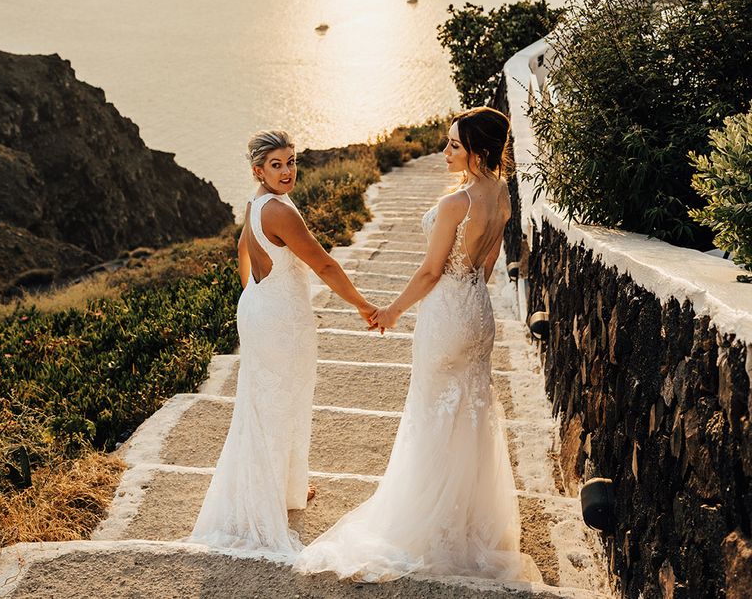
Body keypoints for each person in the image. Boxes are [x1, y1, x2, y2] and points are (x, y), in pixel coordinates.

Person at [294, 108, 537, 582]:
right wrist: (468, 300)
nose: (444, 152)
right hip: (476, 312)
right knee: (469, 413)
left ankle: (428, 524)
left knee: (431, 415)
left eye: (454, 146)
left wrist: (392, 311)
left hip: (446, 314)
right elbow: (486, 265)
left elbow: (429, 271)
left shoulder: (457, 204)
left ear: (479, 151)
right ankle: (469, 524)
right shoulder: (503, 194)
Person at [189, 130, 376, 555]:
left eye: (291, 161)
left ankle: (285, 489)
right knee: (280, 404)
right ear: (258, 170)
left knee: (269, 402)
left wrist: (256, 293)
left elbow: (241, 248)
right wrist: (364, 306)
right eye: (277, 165)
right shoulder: (280, 211)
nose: (288, 171)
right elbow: (325, 264)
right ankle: (268, 499)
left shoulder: (256, 202)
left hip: (259, 309)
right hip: (280, 320)